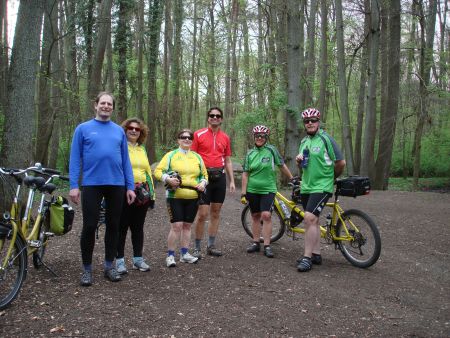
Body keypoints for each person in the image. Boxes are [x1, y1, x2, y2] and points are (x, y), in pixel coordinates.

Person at [69, 92, 135, 286]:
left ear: (112, 108)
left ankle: (109, 266)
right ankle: (87, 269)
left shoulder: (118, 131)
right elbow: (74, 159)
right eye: (103, 103)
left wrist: (130, 187)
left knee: (114, 226)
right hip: (92, 184)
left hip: (116, 184)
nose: (106, 106)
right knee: (89, 226)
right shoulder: (83, 129)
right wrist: (74, 185)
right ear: (95, 105)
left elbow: (125, 161)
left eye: (109, 104)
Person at [295, 108, 346, 272]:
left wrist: (331, 179)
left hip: (322, 185)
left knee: (308, 218)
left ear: (318, 122)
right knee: (314, 220)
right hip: (307, 185)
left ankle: (307, 257)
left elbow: (340, 163)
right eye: (306, 121)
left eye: (313, 120)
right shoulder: (304, 142)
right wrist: (299, 162)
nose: (310, 123)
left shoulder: (326, 139)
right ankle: (316, 254)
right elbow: (305, 165)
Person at [154, 129, 208, 268]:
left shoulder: (197, 157)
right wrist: (168, 179)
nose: (187, 139)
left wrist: (203, 183)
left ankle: (184, 254)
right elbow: (158, 171)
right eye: (183, 137)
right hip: (175, 195)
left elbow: (204, 175)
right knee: (176, 226)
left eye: (189, 137)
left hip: (193, 196)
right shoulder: (171, 155)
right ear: (178, 140)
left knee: (187, 225)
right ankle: (170, 255)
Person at [241, 125, 294, 258]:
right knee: (255, 216)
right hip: (252, 189)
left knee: (266, 215)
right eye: (257, 136)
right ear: (254, 137)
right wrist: (243, 192)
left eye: (262, 136)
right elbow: (245, 174)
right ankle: (255, 242)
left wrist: (292, 179)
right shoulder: (250, 153)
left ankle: (267, 245)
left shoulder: (271, 150)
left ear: (266, 138)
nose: (259, 138)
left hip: (268, 189)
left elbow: (281, 165)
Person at [191, 107, 235, 258]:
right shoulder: (198, 134)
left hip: (220, 177)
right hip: (203, 178)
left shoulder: (225, 137)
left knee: (215, 213)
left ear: (221, 119)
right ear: (208, 118)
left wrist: (231, 181)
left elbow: (228, 160)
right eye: (212, 115)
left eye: (218, 116)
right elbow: (192, 157)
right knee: (202, 214)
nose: (215, 118)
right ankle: (197, 247)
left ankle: (211, 245)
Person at [115, 118, 155, 275]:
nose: (133, 131)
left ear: (141, 132)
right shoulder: (119, 146)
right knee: (121, 227)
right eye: (130, 128)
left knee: (138, 227)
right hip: (123, 191)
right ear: (124, 130)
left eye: (137, 129)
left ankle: (138, 259)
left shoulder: (141, 149)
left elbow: (147, 173)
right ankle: (119, 261)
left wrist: (152, 195)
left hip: (142, 192)